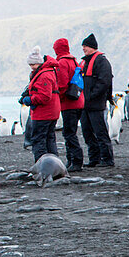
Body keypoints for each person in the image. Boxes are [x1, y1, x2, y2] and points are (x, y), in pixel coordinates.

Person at [79, 33, 114, 167]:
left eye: (86, 46)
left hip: (96, 103)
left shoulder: (102, 61)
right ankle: (95, 158)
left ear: (93, 47)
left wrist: (92, 94)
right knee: (87, 133)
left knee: (100, 132)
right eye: (83, 46)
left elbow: (105, 81)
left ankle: (107, 159)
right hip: (84, 104)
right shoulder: (84, 62)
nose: (83, 49)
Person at [21, 46, 61, 161]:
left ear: (39, 63)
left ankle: (42, 166)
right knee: (49, 139)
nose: (32, 67)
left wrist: (30, 99)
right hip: (50, 112)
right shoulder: (45, 71)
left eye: (34, 64)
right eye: (30, 65)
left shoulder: (44, 75)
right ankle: (54, 165)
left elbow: (44, 96)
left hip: (44, 113)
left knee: (39, 140)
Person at [52, 37, 85, 171]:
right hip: (79, 100)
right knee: (70, 132)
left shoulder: (62, 62)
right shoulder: (73, 60)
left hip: (69, 103)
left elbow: (62, 84)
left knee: (69, 133)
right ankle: (71, 161)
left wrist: (56, 98)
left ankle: (76, 161)